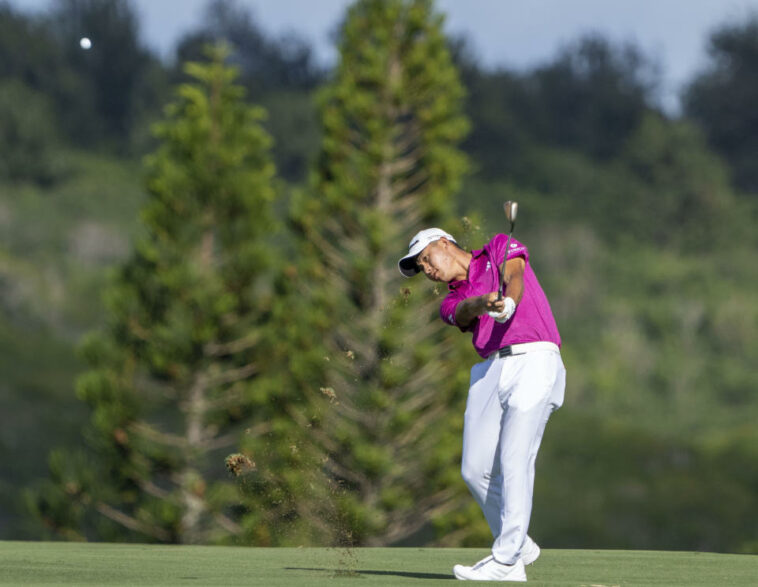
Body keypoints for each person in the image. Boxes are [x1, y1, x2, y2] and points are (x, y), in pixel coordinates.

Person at [398, 227, 566, 582]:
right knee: (474, 469)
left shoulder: (497, 248)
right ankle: (520, 547)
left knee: (515, 457)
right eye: (420, 267)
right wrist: (485, 303)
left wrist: (510, 302)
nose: (427, 269)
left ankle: (506, 560)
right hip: (491, 369)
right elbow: (462, 312)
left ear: (444, 243)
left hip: (534, 358)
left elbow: (514, 274)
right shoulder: (449, 299)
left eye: (427, 258)